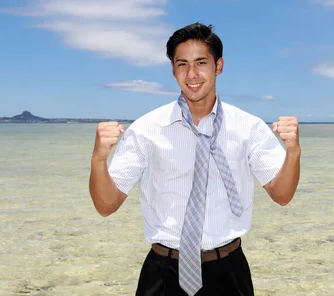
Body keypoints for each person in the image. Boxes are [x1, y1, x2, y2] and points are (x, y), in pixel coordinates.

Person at [89, 22, 301, 296]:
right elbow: (107, 206)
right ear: (173, 69)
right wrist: (98, 160)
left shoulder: (249, 127)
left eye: (201, 62)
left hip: (229, 270)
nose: (192, 74)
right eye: (182, 64)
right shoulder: (146, 129)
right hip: (163, 272)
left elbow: (282, 195)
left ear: (219, 66)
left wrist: (293, 152)